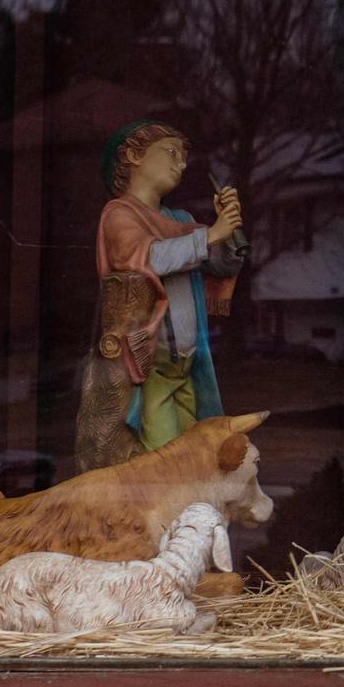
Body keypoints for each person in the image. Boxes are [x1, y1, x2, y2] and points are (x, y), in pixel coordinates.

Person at [96, 121, 248, 452]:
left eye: (183, 157)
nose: (180, 163)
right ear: (135, 155)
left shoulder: (179, 220)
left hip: (188, 364)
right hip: (151, 367)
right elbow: (146, 259)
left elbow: (219, 264)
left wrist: (228, 236)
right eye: (170, 152)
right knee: (163, 457)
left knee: (195, 452)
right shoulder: (119, 214)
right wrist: (210, 236)